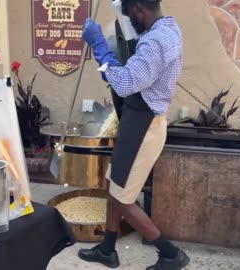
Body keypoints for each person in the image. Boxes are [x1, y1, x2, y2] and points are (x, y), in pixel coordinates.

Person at [79, 0, 188, 269]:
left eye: (129, 15)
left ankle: (171, 254)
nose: (130, 20)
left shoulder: (154, 42)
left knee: (122, 198)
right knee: (113, 186)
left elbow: (126, 83)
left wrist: (100, 49)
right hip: (138, 122)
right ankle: (107, 249)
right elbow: (136, 72)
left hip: (144, 127)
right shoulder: (169, 30)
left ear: (140, 8)